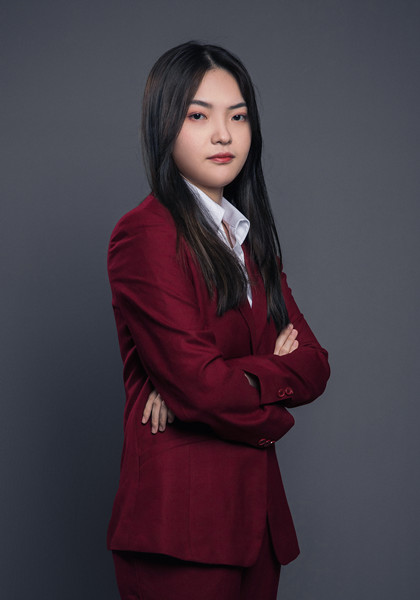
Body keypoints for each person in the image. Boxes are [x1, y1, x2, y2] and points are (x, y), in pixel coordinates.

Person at [107, 41, 330, 600]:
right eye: (198, 116)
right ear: (165, 124)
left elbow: (314, 365)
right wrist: (266, 380)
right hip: (181, 530)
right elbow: (201, 388)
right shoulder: (146, 233)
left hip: (257, 527)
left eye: (238, 116)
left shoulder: (249, 239)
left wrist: (222, 379)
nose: (224, 135)